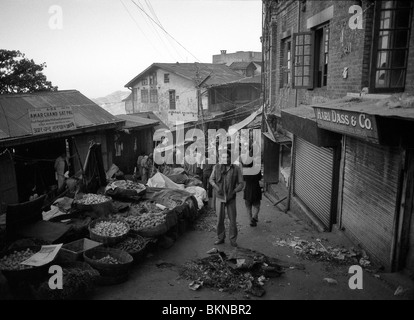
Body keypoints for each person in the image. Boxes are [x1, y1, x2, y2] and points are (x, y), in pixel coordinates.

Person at [209, 149, 244, 247]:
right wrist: (217, 188)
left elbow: (241, 183)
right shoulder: (216, 167)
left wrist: (234, 191)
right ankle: (221, 238)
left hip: (231, 197)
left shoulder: (236, 169)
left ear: (230, 158)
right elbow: (211, 179)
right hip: (220, 197)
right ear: (221, 158)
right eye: (223, 157)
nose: (225, 159)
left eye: (227, 157)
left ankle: (233, 239)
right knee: (220, 219)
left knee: (232, 220)